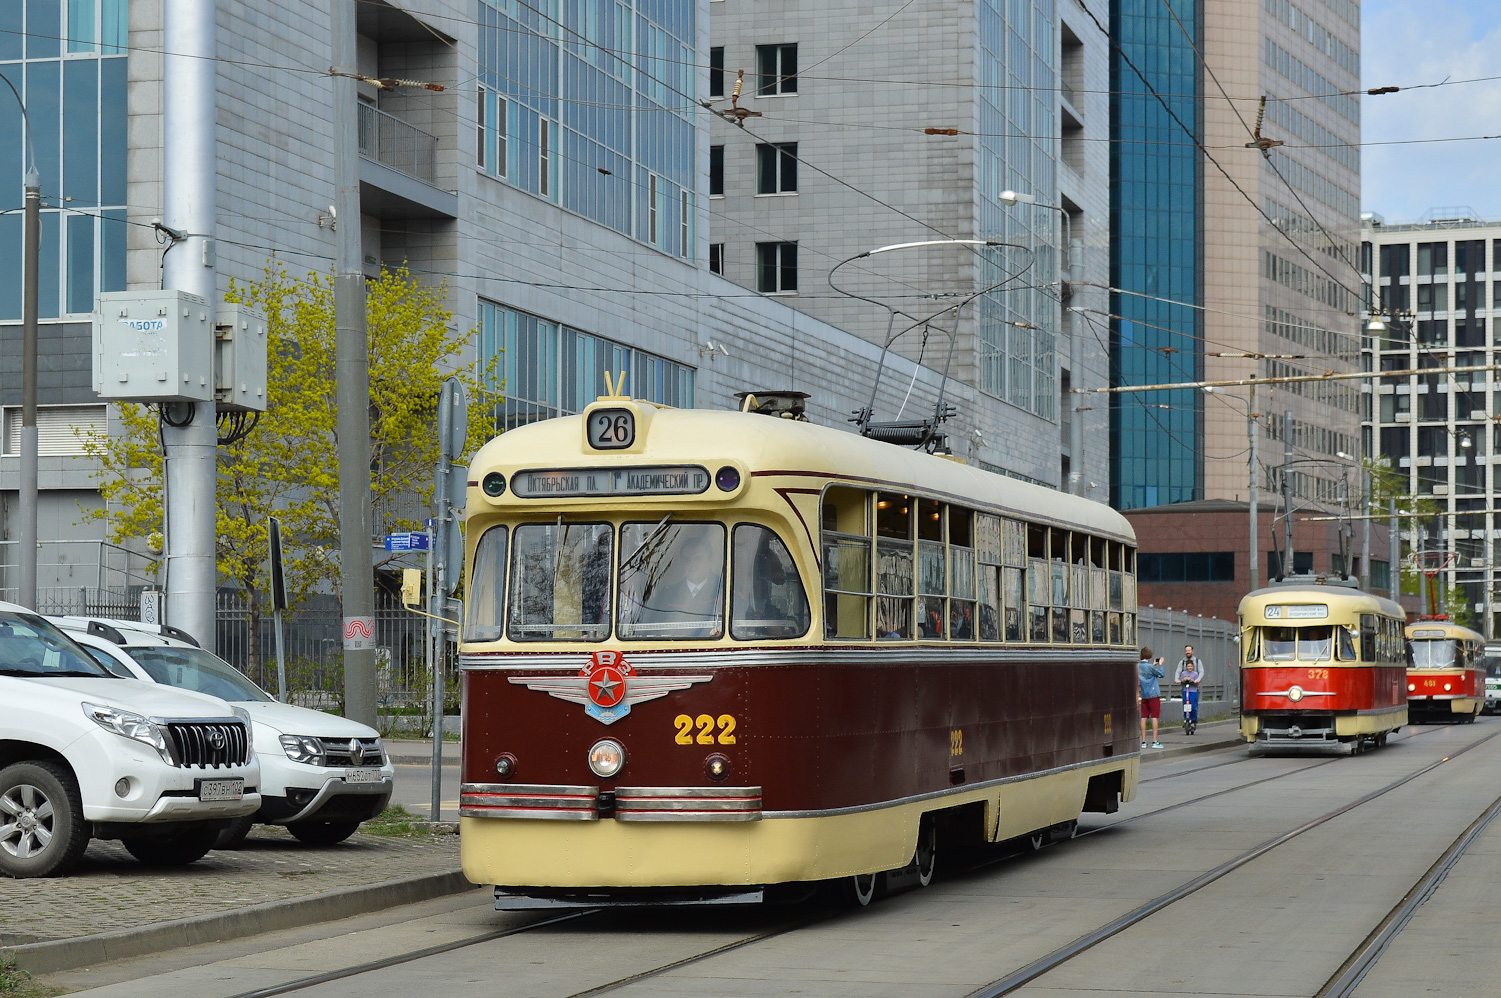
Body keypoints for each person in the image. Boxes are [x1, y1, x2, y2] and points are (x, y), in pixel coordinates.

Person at [1175, 644, 1205, 735]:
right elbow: (1178, 671)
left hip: (1194, 687)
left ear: (1192, 651)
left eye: (1189, 650)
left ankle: (1194, 721)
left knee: (1194, 706)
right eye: (1186, 650)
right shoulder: (1182, 662)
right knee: (1185, 705)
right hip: (1185, 687)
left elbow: (1201, 671)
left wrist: (1198, 679)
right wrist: (1177, 679)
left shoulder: (1197, 661)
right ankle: (1186, 720)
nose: (1188, 652)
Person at [1139, 646, 1164, 749]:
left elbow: (1146, 674)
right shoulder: (1150, 667)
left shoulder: (1138, 666)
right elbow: (1161, 674)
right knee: (1154, 717)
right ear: (1149, 655)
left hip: (1144, 694)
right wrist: (1161, 665)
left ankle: (1144, 741)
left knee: (1144, 717)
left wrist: (1153, 665)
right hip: (1153, 694)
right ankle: (1155, 741)